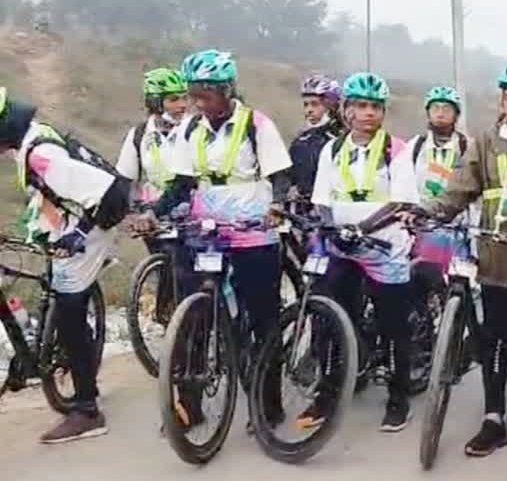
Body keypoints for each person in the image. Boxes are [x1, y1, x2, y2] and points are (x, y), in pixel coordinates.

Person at [132, 49, 293, 430]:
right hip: (206, 234)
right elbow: (181, 184)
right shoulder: (191, 127)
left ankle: (268, 405)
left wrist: (280, 207)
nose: (199, 102)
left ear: (227, 90)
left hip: (252, 235)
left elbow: (281, 178)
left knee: (262, 319)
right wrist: (154, 212)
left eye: (206, 94)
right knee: (194, 317)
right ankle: (189, 404)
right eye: (194, 95)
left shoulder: (256, 124)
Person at [418, 62, 507, 457]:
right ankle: (494, 416)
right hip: (495, 252)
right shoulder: (484, 142)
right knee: (497, 331)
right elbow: (460, 189)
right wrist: (429, 211)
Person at [0, 87, 130, 443]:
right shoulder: (26, 142)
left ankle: (87, 409)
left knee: (70, 307)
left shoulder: (41, 154)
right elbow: (47, 195)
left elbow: (103, 193)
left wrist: (76, 237)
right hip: (68, 221)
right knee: (58, 291)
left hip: (94, 224)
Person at [307, 71, 420, 432]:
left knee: (394, 326)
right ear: (346, 110)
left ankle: (398, 397)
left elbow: (400, 200)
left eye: (375, 107)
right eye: (360, 106)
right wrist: (330, 227)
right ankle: (328, 390)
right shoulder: (333, 148)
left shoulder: (396, 150)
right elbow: (322, 199)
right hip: (342, 247)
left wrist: (362, 229)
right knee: (331, 319)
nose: (368, 113)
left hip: (384, 246)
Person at [409, 86, 470, 296]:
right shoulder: (415, 146)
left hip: (457, 228)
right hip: (421, 228)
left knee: (460, 285)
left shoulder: (467, 147)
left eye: (446, 108)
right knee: (418, 282)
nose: (441, 113)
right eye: (435, 107)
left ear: (456, 115)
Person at [117, 68, 190, 205]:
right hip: (154, 214)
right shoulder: (139, 134)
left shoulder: (196, 129)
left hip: (193, 213)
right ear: (155, 103)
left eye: (185, 98)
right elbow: (125, 179)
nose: (182, 105)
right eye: (173, 99)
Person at [289, 74, 342, 202]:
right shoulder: (300, 141)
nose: (309, 110)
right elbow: (289, 178)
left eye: (315, 104)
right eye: (306, 105)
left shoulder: (344, 140)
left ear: (332, 106)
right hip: (302, 211)